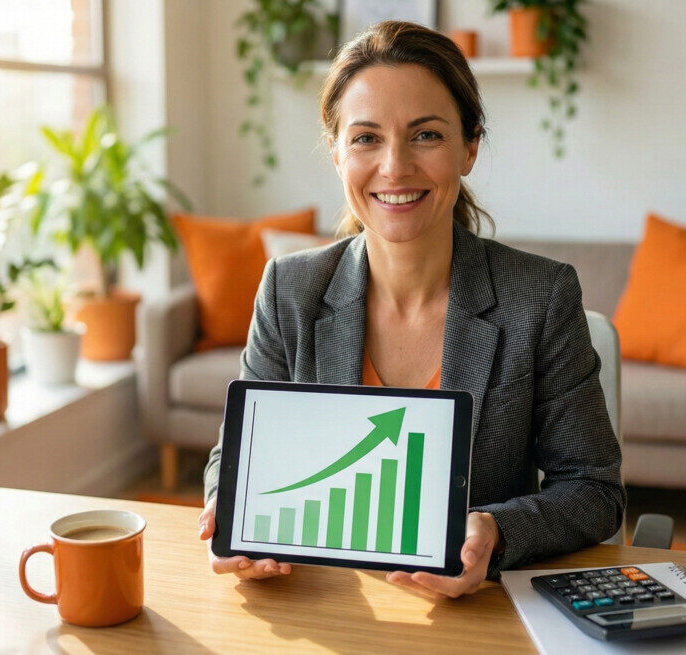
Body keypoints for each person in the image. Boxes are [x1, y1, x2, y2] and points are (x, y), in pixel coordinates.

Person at [198, 20, 625, 600]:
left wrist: (496, 532)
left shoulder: (541, 297)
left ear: (469, 146)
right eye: (366, 138)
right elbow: (236, 455)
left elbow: (595, 491)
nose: (395, 167)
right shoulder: (288, 289)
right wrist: (230, 511)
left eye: (425, 135)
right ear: (337, 153)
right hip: (325, 609)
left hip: (474, 619)